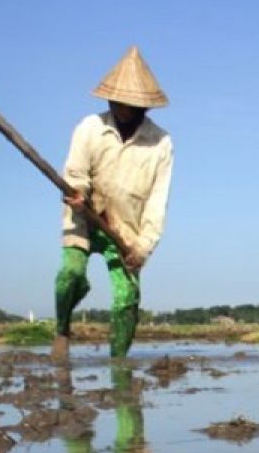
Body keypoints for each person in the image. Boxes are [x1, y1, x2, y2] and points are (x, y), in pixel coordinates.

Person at [52, 46, 174, 362]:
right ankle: (62, 329)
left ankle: (119, 363)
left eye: (129, 104)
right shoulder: (90, 128)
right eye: (117, 101)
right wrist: (78, 195)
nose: (121, 108)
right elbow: (76, 172)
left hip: (126, 228)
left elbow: (157, 201)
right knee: (71, 275)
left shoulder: (161, 143)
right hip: (84, 216)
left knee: (127, 298)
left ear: (143, 106)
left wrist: (143, 247)